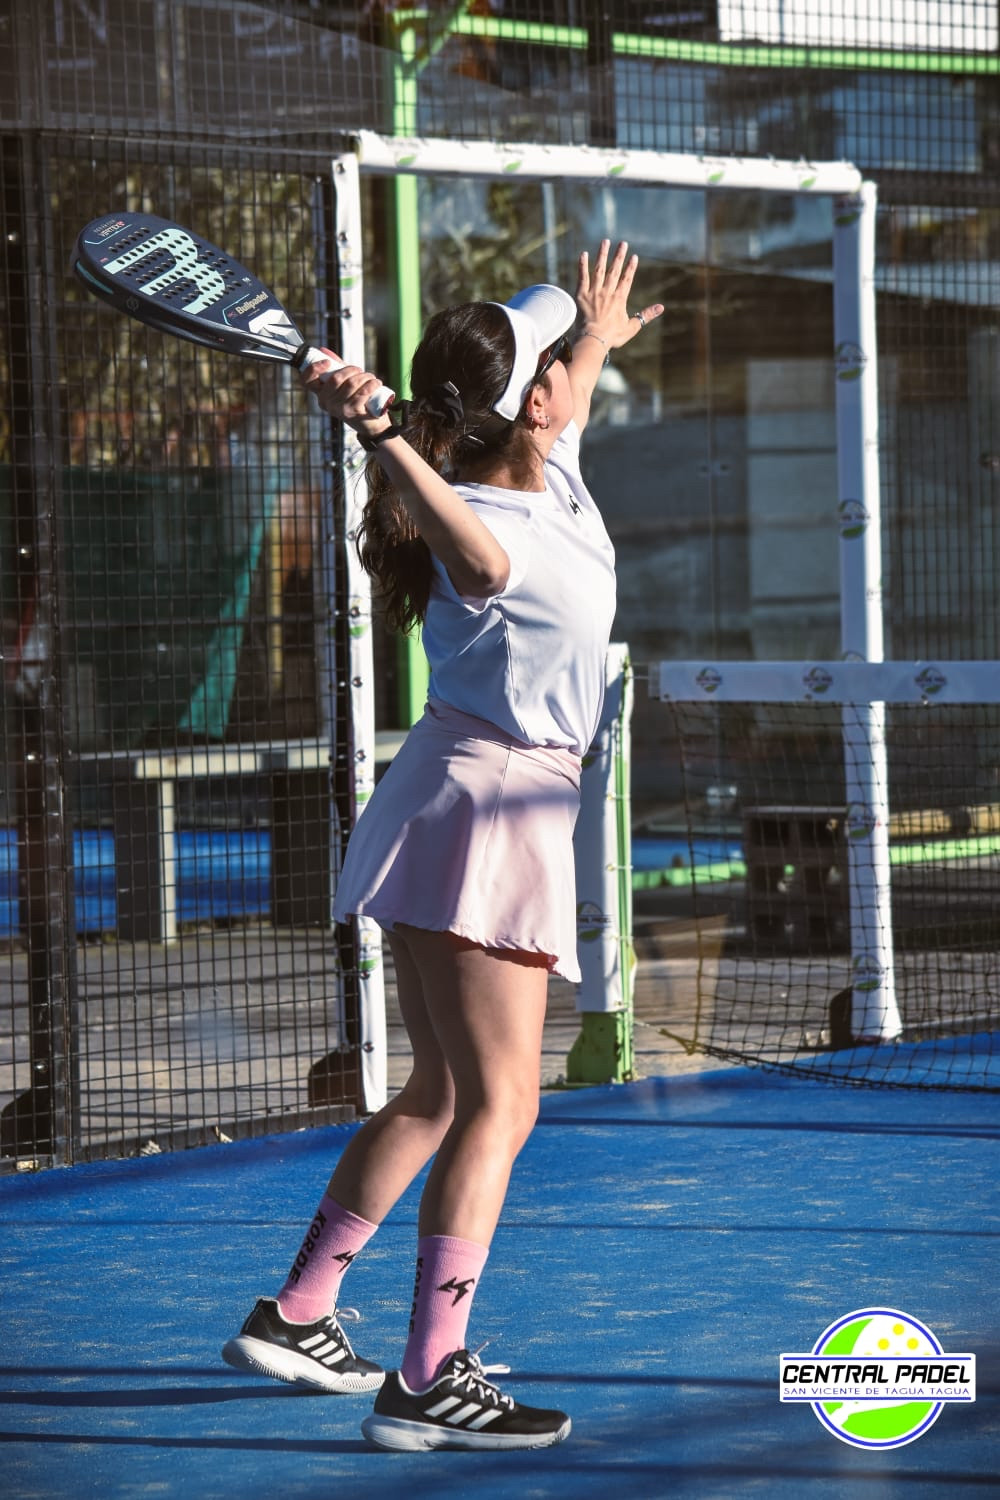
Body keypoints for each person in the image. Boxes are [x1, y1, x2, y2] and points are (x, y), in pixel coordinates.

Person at [222, 240, 664, 1452]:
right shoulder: (485, 524)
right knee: (501, 1105)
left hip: (454, 794)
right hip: (489, 808)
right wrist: (375, 430)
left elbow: (553, 394)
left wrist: (596, 334)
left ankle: (298, 1312)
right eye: (555, 361)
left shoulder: (551, 464)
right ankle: (429, 1375)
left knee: (440, 1092)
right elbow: (472, 552)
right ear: (531, 403)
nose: (572, 370)